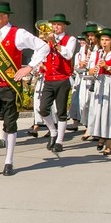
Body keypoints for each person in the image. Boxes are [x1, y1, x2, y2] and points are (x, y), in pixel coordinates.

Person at [0, 1, 49, 177]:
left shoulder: (18, 34)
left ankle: (9, 161)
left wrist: (29, 67)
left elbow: (43, 47)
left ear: (5, 17)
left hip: (9, 85)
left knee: (10, 123)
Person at [31, 13, 76, 152]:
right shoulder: (46, 40)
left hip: (63, 78)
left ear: (64, 26)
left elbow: (68, 54)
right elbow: (38, 56)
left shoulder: (70, 39)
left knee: (61, 111)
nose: (56, 27)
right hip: (49, 78)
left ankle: (60, 141)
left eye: (59, 24)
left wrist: (55, 43)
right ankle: (53, 131)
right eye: (54, 24)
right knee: (43, 109)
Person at [86, 28, 111, 156]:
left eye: (107, 40)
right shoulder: (96, 54)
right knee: (98, 112)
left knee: (109, 113)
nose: (104, 42)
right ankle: (101, 136)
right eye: (102, 40)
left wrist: (107, 67)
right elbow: (90, 71)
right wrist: (96, 68)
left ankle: (108, 145)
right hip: (99, 83)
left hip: (110, 83)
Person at [73, 24, 100, 140]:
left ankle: (92, 129)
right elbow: (81, 63)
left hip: (96, 78)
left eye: (92, 35)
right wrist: (82, 63)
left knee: (94, 104)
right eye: (88, 36)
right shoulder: (86, 48)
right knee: (83, 104)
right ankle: (89, 126)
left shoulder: (99, 48)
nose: (90, 38)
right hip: (86, 77)